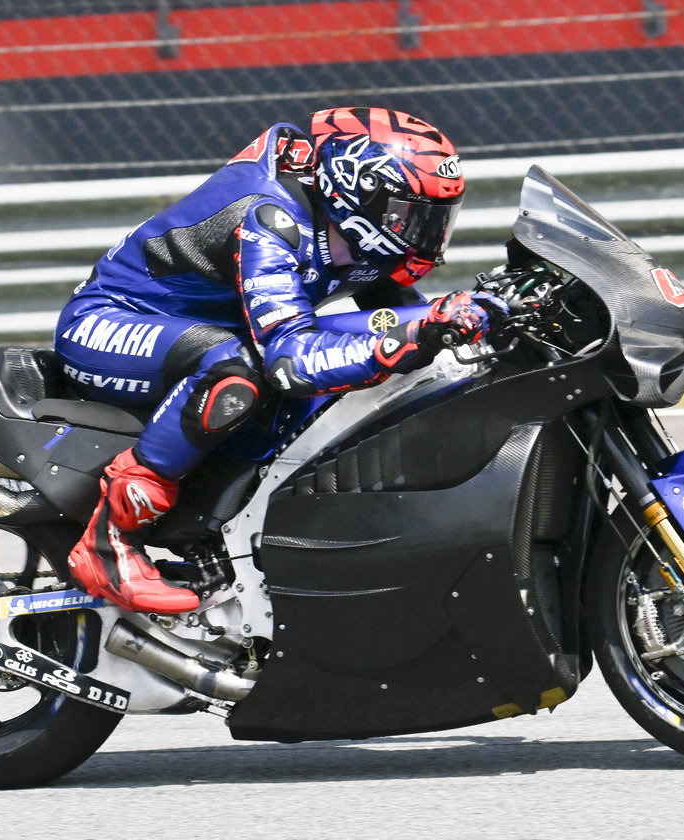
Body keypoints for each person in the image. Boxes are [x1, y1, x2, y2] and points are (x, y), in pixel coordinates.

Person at [57, 107, 493, 614]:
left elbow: (404, 321)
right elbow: (290, 362)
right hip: (108, 324)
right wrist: (412, 336)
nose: (422, 233)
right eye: (409, 216)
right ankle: (108, 542)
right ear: (359, 192)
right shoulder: (268, 216)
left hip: (214, 331)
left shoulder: (356, 229)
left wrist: (476, 317)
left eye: (436, 218)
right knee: (237, 370)